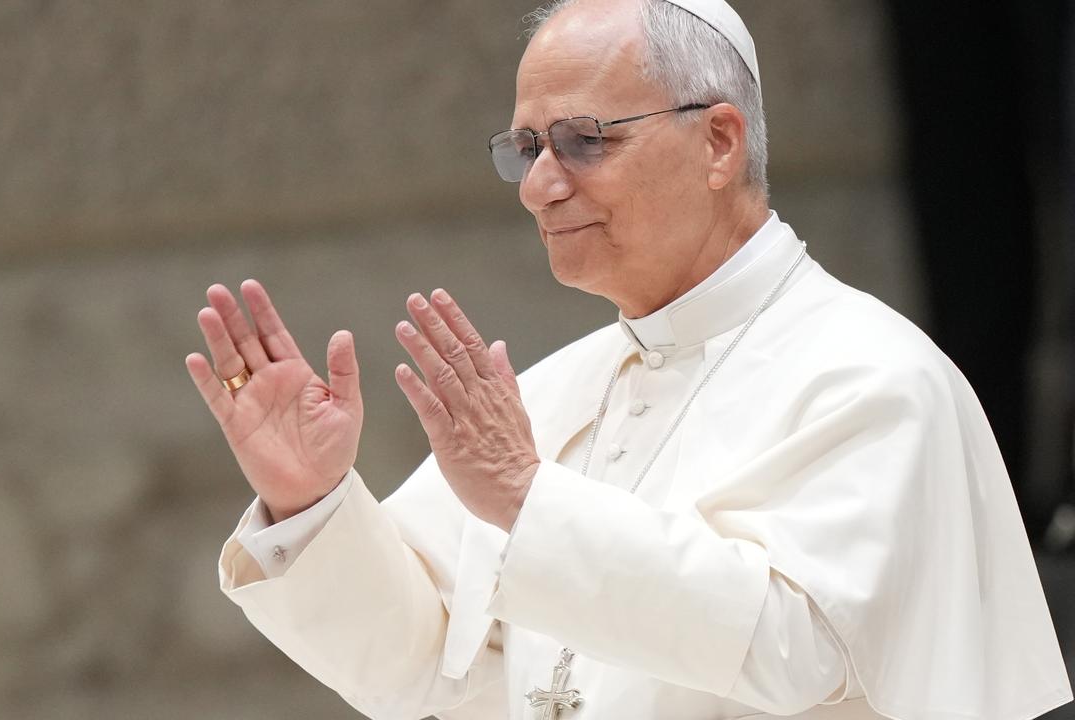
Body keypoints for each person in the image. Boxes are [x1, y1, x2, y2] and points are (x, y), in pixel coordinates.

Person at [184, 0, 1073, 717]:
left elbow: (800, 652)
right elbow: (429, 680)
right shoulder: (554, 394)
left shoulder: (874, 379)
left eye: (583, 140)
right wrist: (313, 504)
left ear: (719, 142)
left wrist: (532, 502)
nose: (539, 184)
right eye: (525, 148)